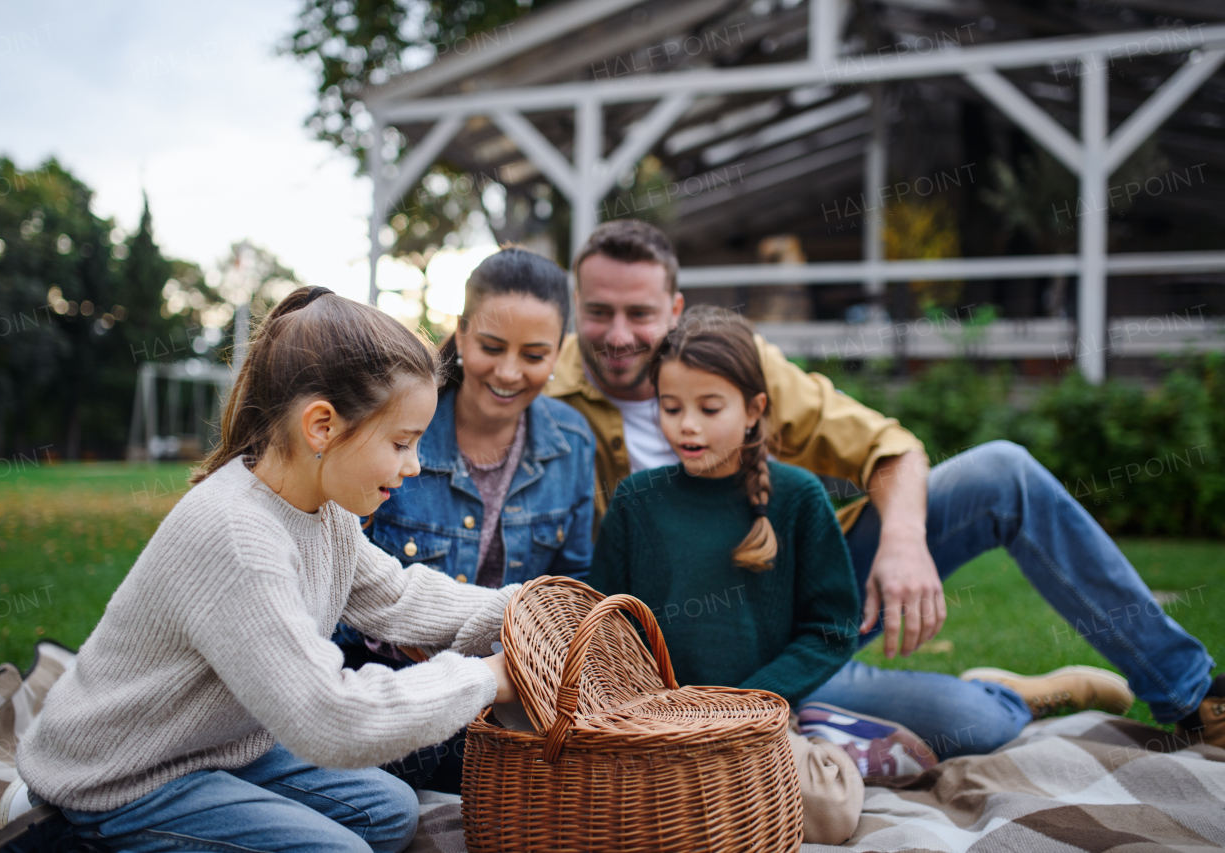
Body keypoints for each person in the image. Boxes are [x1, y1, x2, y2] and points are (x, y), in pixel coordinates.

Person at [549, 219, 1222, 758]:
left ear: (675, 307)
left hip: (807, 594)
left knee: (1002, 470)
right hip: (694, 646)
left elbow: (889, 447)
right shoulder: (541, 379)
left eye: (638, 313)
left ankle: (1192, 695)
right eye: (598, 312)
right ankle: (1002, 694)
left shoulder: (738, 364)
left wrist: (902, 540)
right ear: (577, 305)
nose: (616, 335)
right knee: (971, 722)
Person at [16, 286, 519, 853]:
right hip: (124, 776)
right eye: (402, 442)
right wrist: (485, 677)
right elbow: (330, 719)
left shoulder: (322, 513)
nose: (415, 463)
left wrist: (520, 610)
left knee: (389, 813)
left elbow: (399, 597)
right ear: (322, 427)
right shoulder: (236, 535)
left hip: (219, 749)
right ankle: (63, 833)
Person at [590, 308, 939, 846]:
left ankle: (828, 733)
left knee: (825, 814)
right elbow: (607, 627)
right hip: (661, 726)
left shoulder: (798, 498)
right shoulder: (636, 502)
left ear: (753, 410)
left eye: (710, 408)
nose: (687, 425)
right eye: (671, 406)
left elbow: (830, 629)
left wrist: (750, 701)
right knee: (641, 816)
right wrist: (655, 711)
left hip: (760, 720)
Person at [341, 247, 594, 792]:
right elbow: (332, 580)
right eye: (491, 347)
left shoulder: (571, 443)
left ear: (560, 352)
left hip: (510, 687)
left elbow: (572, 589)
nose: (508, 372)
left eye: (534, 354)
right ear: (460, 332)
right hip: (389, 686)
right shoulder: (396, 429)